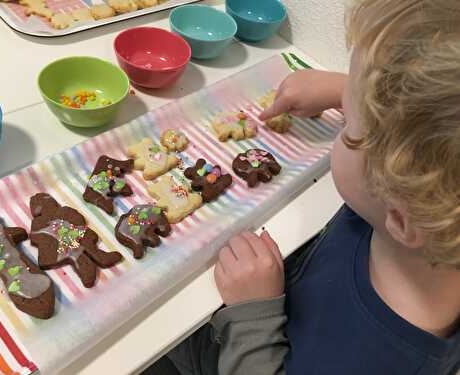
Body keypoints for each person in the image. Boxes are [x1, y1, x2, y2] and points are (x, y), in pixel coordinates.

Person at [148, 0, 460, 374]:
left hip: (239, 342)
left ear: (401, 212)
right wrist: (344, 89)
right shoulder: (432, 218)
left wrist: (253, 318)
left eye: (350, 128)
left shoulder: (369, 360)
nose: (343, 120)